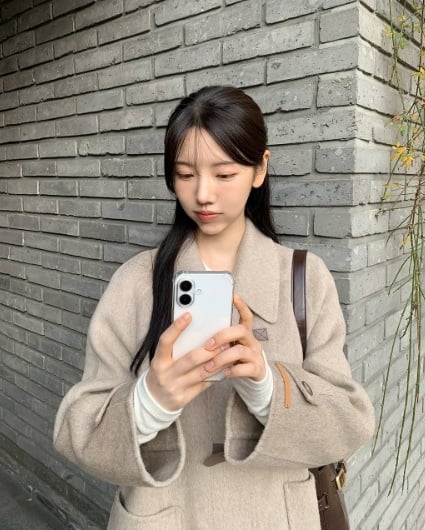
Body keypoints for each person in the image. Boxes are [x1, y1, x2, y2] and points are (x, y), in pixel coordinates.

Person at [53, 85, 375, 529]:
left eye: (224, 174)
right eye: (186, 174)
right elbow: (76, 430)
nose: (203, 194)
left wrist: (267, 388)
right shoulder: (137, 281)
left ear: (260, 169)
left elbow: (351, 422)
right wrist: (148, 403)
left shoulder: (304, 278)